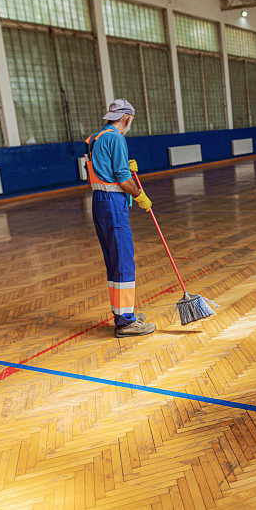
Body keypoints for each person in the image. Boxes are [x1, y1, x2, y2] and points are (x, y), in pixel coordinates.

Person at [85, 99, 156, 338]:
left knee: (114, 261)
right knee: (124, 260)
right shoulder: (116, 138)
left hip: (99, 203)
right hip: (113, 204)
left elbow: (106, 169)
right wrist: (140, 195)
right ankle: (125, 322)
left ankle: (125, 314)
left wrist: (124, 164)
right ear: (127, 118)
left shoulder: (96, 137)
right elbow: (123, 181)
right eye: (130, 121)